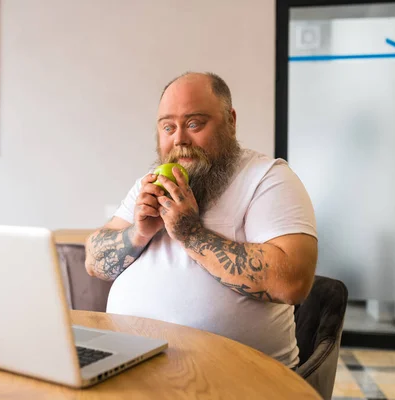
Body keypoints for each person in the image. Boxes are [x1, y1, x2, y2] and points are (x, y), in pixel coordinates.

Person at [84, 72, 317, 367]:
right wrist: (137, 233)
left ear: (230, 121)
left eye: (194, 124)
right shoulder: (151, 182)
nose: (179, 139)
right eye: (168, 127)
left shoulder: (267, 178)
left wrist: (191, 233)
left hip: (237, 375)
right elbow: (93, 261)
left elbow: (292, 282)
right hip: (131, 363)